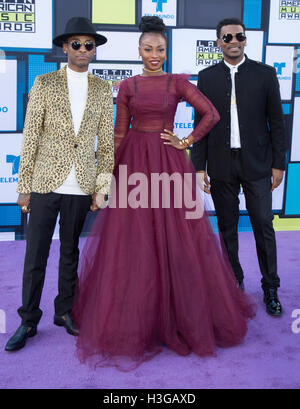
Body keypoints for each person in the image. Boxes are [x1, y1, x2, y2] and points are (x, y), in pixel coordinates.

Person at [71, 16, 256, 371]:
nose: (154, 55)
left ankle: (182, 317)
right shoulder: (126, 86)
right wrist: (110, 177)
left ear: (166, 52)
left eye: (160, 49)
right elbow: (119, 134)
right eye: (148, 49)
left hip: (169, 163)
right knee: (134, 240)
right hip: (134, 166)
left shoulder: (176, 83)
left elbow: (211, 114)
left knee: (177, 239)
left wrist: (185, 141)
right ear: (138, 50)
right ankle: (139, 319)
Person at [5, 17, 114, 352]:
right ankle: (27, 319)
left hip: (81, 185)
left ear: (94, 50)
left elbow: (107, 144)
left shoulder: (102, 89)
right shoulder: (44, 83)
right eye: (76, 44)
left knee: (70, 252)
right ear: (65, 47)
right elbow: (30, 137)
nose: (83, 50)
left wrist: (101, 187)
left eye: (89, 45)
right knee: (36, 254)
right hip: (44, 183)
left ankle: (64, 312)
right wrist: (23, 185)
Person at [191, 18, 286, 317]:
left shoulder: (265, 74)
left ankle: (270, 286)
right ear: (218, 42)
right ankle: (234, 282)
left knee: (263, 226)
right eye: (227, 37)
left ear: (245, 40)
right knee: (227, 228)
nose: (233, 41)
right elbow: (200, 125)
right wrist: (199, 166)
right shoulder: (206, 78)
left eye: (239, 36)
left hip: (257, 164)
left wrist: (278, 164)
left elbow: (277, 123)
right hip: (220, 163)